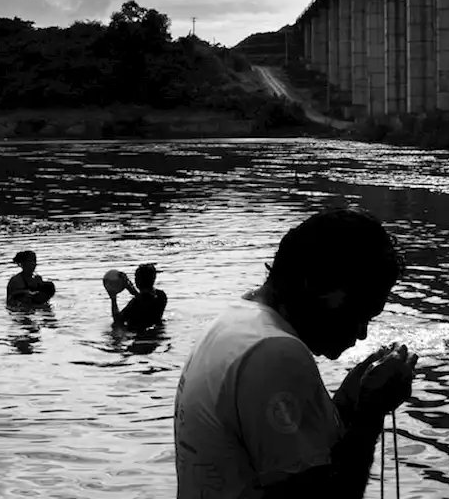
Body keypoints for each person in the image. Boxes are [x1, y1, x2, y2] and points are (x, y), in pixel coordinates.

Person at [173, 207, 418, 499]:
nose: (362, 332)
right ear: (313, 285)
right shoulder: (275, 353)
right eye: (359, 312)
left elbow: (300, 455)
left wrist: (349, 401)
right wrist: (370, 414)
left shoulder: (236, 323)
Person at [108, 263, 167, 331]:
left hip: (139, 335)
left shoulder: (135, 304)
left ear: (137, 281)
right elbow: (146, 298)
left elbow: (117, 320)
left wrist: (113, 297)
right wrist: (130, 289)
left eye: (135, 277)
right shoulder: (161, 296)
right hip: (156, 333)